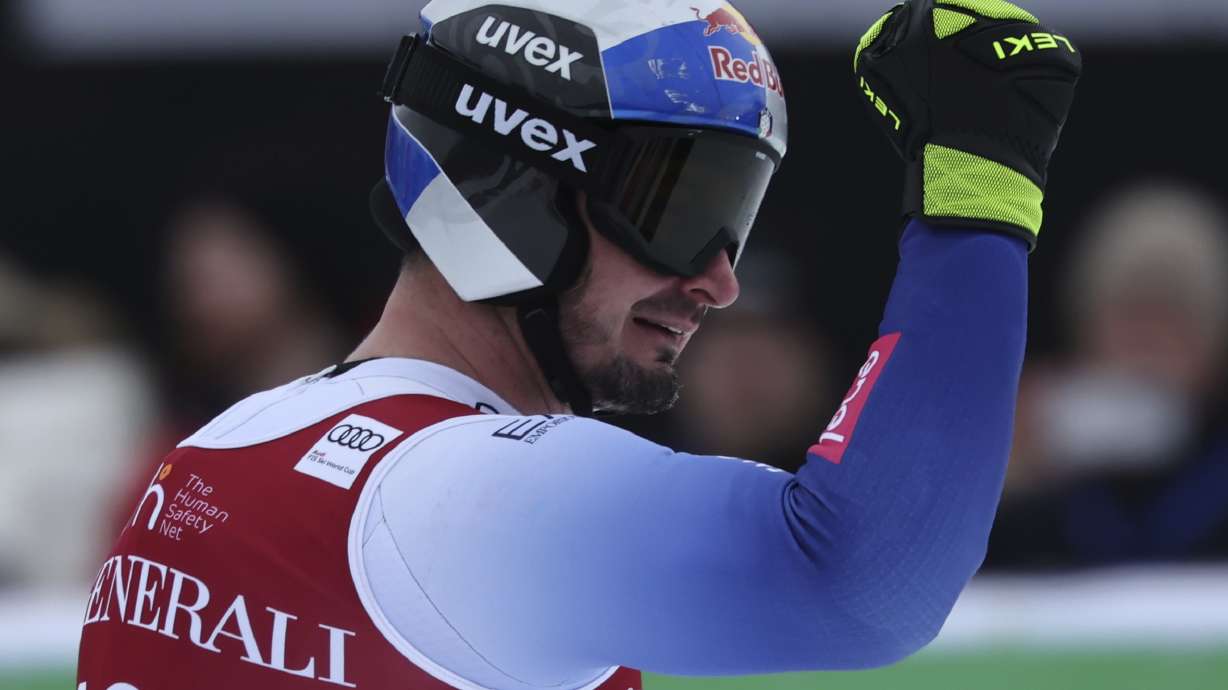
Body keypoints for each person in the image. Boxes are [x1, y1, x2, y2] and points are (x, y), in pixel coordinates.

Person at [76, 1, 1080, 688]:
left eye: (737, 217)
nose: (718, 280)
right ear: (514, 183)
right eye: (678, 207)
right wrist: (980, 188)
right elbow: (867, 583)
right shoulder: (454, 496)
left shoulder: (229, 448)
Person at [987, 181, 1228, 568]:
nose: (1149, 340)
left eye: (1174, 316)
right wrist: (999, 474)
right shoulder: (1048, 480)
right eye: (1129, 313)